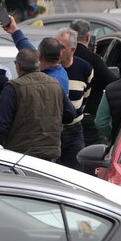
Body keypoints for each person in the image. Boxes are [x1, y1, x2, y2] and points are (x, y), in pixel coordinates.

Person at [0, 48, 74, 161]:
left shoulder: (13, 87)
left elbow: (2, 126)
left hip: (20, 153)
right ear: (38, 64)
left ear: (18, 66)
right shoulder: (55, 84)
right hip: (50, 151)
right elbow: (70, 115)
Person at [66, 20, 115, 146]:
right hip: (88, 116)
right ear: (88, 37)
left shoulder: (61, 56)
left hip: (63, 117)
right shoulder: (94, 59)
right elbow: (112, 83)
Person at [47, 33, 90, 168]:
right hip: (51, 130)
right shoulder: (47, 69)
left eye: (61, 47)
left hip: (74, 130)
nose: (57, 51)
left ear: (73, 49)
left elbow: (86, 97)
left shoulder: (85, 68)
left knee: (77, 172)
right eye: (55, 46)